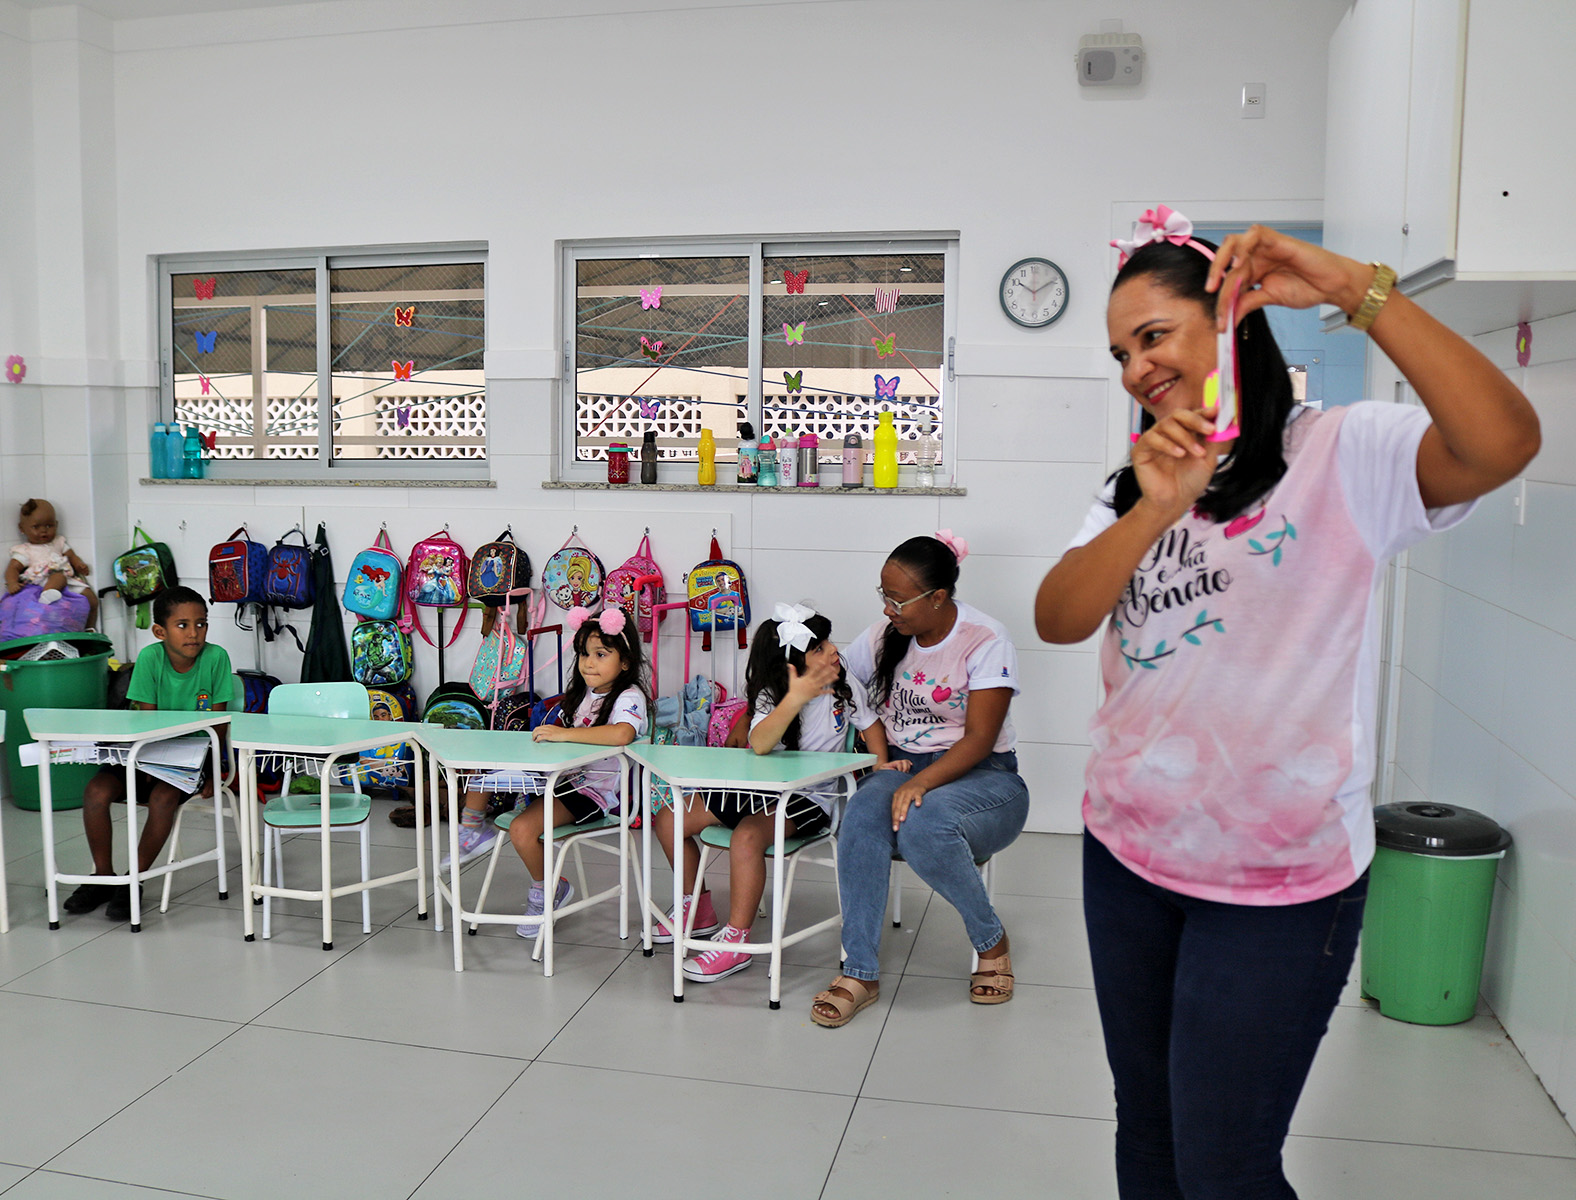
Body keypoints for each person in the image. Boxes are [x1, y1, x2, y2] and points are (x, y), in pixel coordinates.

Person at [1032, 208, 1540, 1198]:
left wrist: (1357, 289)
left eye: (1153, 336)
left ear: (1230, 321)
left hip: (1276, 888)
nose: (1136, 368)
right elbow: (1059, 616)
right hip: (1126, 857)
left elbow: (1502, 442)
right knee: (1148, 1133)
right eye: (1121, 353)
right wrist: (1153, 508)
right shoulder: (1133, 484)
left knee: (1225, 1167)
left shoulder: (1344, 451)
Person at [811, 531, 1030, 1027]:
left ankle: (991, 941)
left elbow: (980, 738)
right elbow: (836, 679)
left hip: (986, 776)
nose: (887, 609)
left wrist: (923, 785)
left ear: (937, 597)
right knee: (861, 816)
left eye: (897, 600)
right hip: (904, 764)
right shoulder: (883, 636)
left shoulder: (985, 639)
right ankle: (860, 971)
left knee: (924, 824)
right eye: (883, 596)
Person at [650, 603, 892, 982]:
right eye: (819, 647)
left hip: (810, 798)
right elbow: (760, 743)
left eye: (828, 642)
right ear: (791, 667)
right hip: (758, 790)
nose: (833, 650)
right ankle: (697, 908)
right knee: (669, 818)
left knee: (747, 837)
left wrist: (881, 770)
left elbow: (871, 725)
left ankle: (737, 942)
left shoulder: (844, 687)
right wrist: (796, 697)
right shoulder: (771, 694)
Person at [443, 606, 649, 937]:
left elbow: (622, 734)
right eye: (584, 654)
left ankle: (548, 889)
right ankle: (472, 828)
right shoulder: (584, 694)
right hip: (560, 778)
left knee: (522, 830)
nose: (589, 663)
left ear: (625, 662)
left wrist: (564, 735)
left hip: (591, 793)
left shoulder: (628, 696)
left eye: (600, 654)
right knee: (487, 764)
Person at [61, 585, 232, 920]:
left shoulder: (216, 658)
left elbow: (218, 725)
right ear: (159, 631)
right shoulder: (151, 658)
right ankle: (103, 877)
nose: (194, 633)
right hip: (146, 751)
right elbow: (147, 722)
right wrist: (147, 760)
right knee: (96, 791)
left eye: (201, 624)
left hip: (192, 757)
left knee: (163, 799)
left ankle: (132, 880)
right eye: (182, 625)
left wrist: (214, 769)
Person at [6, 498, 98, 630]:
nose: (44, 531)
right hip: (42, 581)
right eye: (36, 527)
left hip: (68, 580)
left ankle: (89, 629)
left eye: (49, 526)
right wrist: (12, 582)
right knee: (58, 576)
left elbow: (72, 556)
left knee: (92, 599)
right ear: (22, 528)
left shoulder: (59, 542)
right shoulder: (25, 550)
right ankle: (47, 596)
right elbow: (13, 568)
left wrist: (79, 565)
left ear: (56, 524)